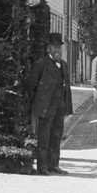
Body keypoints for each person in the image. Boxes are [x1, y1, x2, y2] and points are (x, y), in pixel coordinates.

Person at [26, 34, 72, 177]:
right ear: (48, 48)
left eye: (59, 46)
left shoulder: (63, 64)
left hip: (60, 106)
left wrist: (66, 106)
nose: (57, 49)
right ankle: (42, 167)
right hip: (45, 107)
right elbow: (30, 86)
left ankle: (54, 165)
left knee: (56, 136)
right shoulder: (41, 64)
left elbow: (66, 87)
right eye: (54, 46)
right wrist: (39, 102)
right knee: (44, 137)